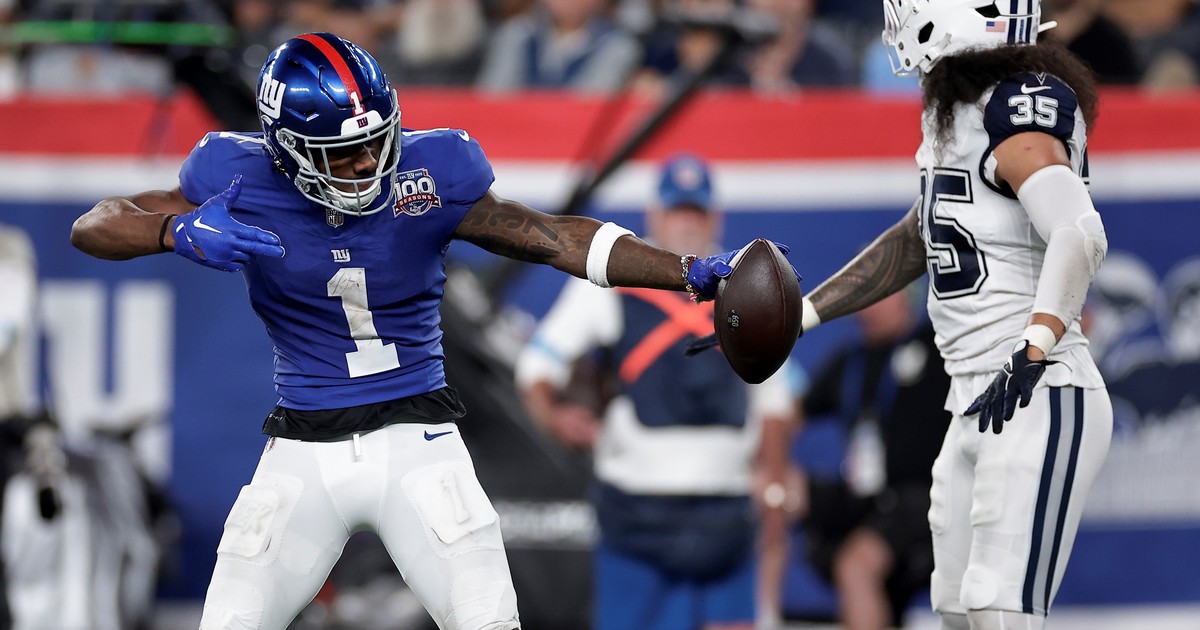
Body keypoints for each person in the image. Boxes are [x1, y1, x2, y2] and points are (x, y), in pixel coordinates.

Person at [69, 32, 769, 630]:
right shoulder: (235, 175)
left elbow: (554, 236)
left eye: (375, 142)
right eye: (342, 153)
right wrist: (174, 231)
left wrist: (686, 271)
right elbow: (95, 224)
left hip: (417, 443)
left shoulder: (432, 173)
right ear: (286, 150)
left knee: (489, 622)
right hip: (302, 450)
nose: (367, 164)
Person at [789, 2, 1113, 628]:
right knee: (958, 609)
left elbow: (1078, 232)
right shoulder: (959, 111)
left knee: (998, 608)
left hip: (1036, 388)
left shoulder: (1016, 103)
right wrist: (801, 315)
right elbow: (917, 240)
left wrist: (1033, 348)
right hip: (973, 399)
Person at [515, 153, 797, 630]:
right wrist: (556, 418)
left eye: (696, 212)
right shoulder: (612, 285)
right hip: (635, 515)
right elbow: (537, 366)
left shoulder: (750, 288)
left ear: (715, 218)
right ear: (655, 215)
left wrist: (773, 489)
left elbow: (775, 401)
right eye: (677, 211)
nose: (687, 223)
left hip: (726, 517)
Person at [790, 289, 951, 629]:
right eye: (865, 294)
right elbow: (789, 416)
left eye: (884, 293)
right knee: (778, 494)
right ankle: (761, 613)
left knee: (856, 567)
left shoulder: (940, 348)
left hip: (923, 500)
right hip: (864, 497)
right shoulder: (850, 362)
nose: (872, 306)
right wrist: (774, 470)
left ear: (906, 294)